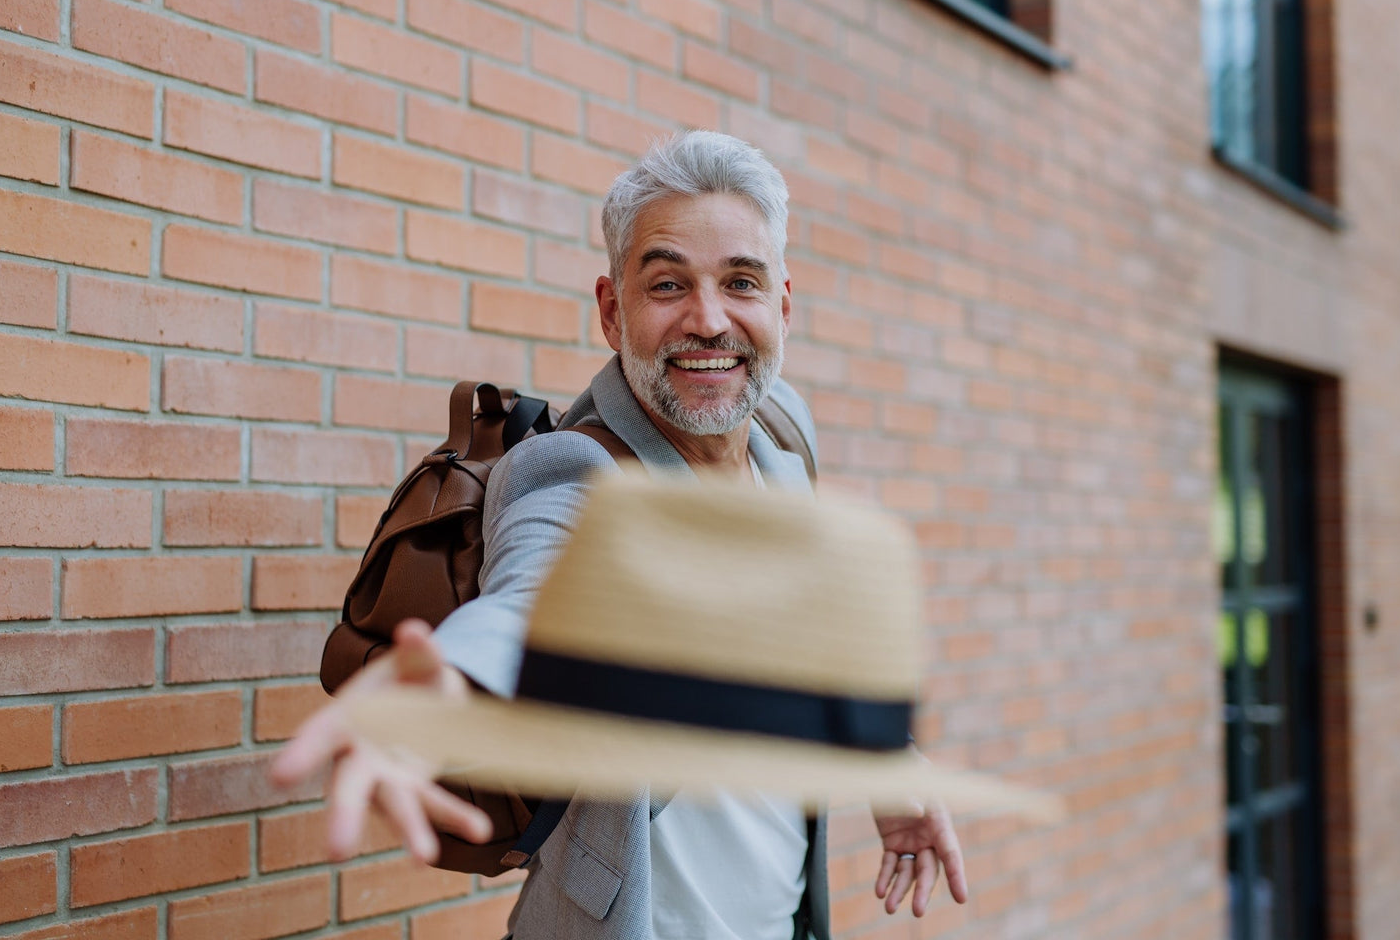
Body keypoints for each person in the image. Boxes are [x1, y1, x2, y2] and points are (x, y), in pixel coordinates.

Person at [272, 130, 967, 939]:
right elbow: (529, 601)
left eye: (739, 281)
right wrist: (451, 685)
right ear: (612, 310)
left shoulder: (784, 440)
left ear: (782, 305)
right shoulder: (576, 473)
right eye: (668, 283)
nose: (708, 320)